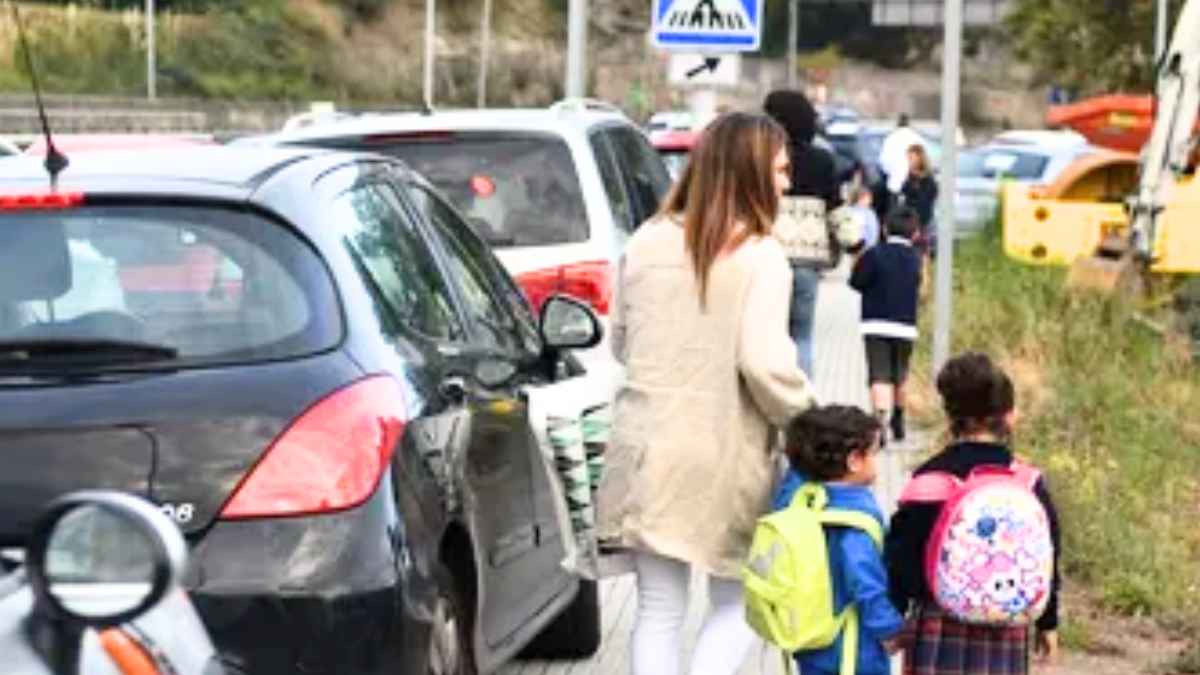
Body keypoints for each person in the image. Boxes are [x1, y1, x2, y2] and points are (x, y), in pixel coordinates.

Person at [599, 112, 818, 675]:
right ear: (748, 171)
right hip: (723, 452)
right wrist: (808, 416)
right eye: (780, 170)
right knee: (737, 603)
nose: (787, 183)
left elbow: (621, 342)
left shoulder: (646, 239)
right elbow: (765, 365)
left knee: (657, 610)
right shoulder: (760, 254)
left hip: (645, 447)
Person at [885, 352, 1062, 674]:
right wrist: (1047, 622)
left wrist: (896, 613)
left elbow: (901, 556)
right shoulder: (1027, 482)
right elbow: (1050, 553)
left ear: (949, 416)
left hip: (938, 621)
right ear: (1009, 417)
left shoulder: (930, 479)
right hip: (1007, 624)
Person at [772, 405, 904, 675]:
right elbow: (865, 581)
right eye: (873, 454)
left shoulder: (797, 501)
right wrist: (890, 628)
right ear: (854, 461)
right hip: (855, 648)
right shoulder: (855, 518)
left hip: (810, 637)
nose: (876, 462)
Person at [764, 89, 841, 378]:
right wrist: (857, 245)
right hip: (807, 261)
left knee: (768, 333)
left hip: (768, 257)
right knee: (803, 336)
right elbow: (836, 209)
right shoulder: (823, 160)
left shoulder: (763, 159)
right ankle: (803, 396)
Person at [848, 207, 921, 444]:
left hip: (875, 325)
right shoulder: (916, 258)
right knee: (900, 374)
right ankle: (899, 420)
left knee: (879, 375)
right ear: (915, 233)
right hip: (905, 326)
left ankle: (880, 424)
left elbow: (856, 282)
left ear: (885, 229)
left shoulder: (874, 254)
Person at [900, 144, 939, 257]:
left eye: (911, 158)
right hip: (911, 221)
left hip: (922, 222)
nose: (909, 161)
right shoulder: (910, 176)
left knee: (922, 254)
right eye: (908, 158)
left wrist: (917, 225)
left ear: (919, 158)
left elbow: (924, 204)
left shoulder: (927, 179)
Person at [879, 113, 925, 203]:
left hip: (894, 183)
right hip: (913, 182)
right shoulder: (917, 138)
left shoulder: (890, 138)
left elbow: (883, 162)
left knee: (894, 207)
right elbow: (923, 159)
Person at [848, 184, 881, 250]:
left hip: (852, 248)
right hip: (866, 249)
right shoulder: (869, 213)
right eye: (869, 198)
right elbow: (874, 233)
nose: (871, 201)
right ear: (862, 198)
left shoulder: (849, 210)